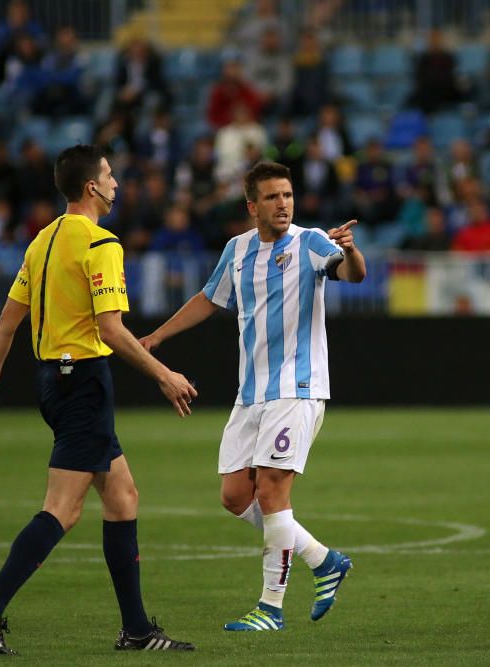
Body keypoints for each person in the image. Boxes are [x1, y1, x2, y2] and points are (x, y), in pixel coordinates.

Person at [0, 145, 198, 654]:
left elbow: (7, 321)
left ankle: (135, 630)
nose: (115, 182)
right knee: (63, 510)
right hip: (83, 382)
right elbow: (111, 328)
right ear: (92, 186)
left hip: (55, 382)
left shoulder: (42, 242)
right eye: (109, 175)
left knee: (123, 496)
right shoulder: (100, 243)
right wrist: (163, 374)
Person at [140, 161, 366, 632]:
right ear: (252, 206)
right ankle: (324, 560)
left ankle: (270, 608)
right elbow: (208, 298)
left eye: (287, 195)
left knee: (271, 490)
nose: (283, 203)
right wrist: (157, 338)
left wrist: (351, 249)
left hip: (297, 388)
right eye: (272, 197)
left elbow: (352, 274)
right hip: (251, 394)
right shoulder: (237, 250)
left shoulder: (310, 243)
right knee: (234, 494)